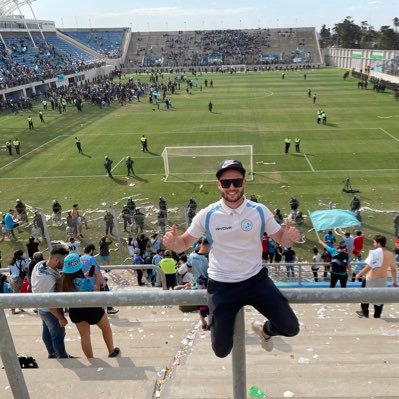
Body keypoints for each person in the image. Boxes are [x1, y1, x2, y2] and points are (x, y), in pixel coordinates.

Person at [162, 159, 300, 358]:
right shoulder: (207, 214)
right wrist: (173, 243)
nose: (232, 187)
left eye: (236, 181)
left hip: (255, 281)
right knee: (221, 350)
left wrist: (289, 238)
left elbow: (282, 240)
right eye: (226, 183)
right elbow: (183, 243)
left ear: (244, 182)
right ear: (219, 185)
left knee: (290, 327)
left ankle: (266, 331)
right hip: (222, 284)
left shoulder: (259, 211)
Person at [61, 253, 121, 358]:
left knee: (85, 337)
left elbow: (77, 283)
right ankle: (111, 351)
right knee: (106, 328)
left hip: (75, 311)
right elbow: (96, 291)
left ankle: (91, 359)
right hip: (92, 309)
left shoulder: (64, 282)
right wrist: (96, 277)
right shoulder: (86, 281)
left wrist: (86, 277)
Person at [31, 246, 73, 358]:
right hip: (49, 310)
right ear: (56, 260)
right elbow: (51, 306)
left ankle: (52, 352)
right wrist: (61, 318)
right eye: (63, 261)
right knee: (58, 334)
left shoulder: (39, 264)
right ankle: (62, 356)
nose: (65, 264)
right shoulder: (48, 280)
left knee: (47, 330)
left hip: (40, 307)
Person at [356, 235, 398, 318]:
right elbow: (393, 269)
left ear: (378, 243)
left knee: (364, 296)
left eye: (374, 242)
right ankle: (377, 315)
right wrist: (394, 281)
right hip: (382, 279)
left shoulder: (375, 253)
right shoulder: (390, 254)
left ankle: (365, 313)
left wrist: (359, 274)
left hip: (371, 279)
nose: (373, 244)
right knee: (380, 298)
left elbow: (369, 267)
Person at [9, 250, 30, 314]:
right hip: (18, 279)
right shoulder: (22, 261)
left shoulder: (11, 262)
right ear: (20, 255)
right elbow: (26, 269)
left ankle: (19, 307)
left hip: (11, 278)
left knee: (15, 293)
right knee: (16, 294)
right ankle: (13, 309)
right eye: (23, 254)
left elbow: (11, 271)